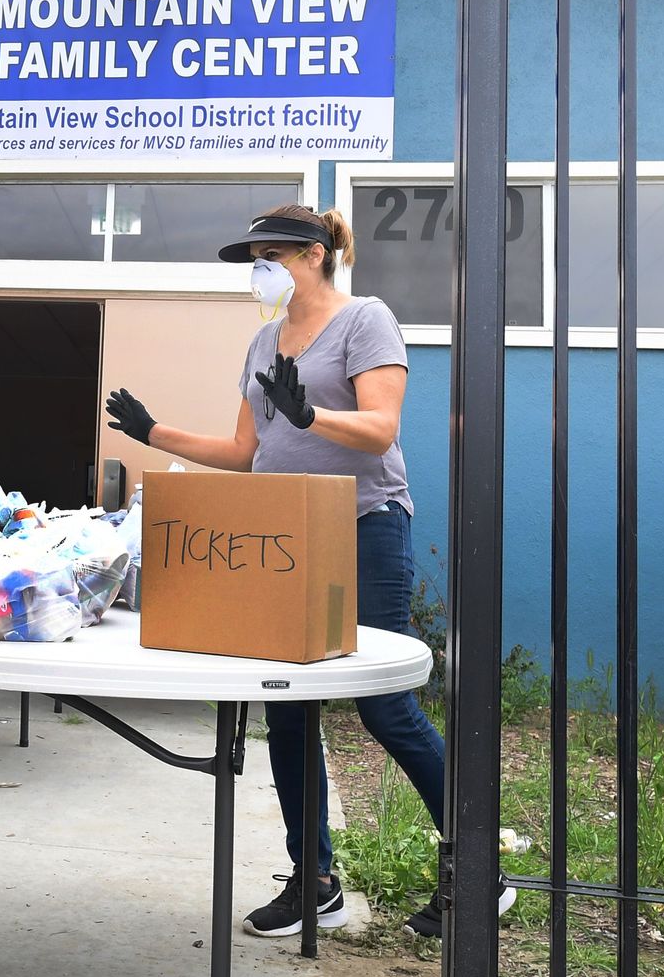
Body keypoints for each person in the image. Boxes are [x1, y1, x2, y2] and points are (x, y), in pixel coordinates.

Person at [104, 203, 513, 940]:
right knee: (286, 704)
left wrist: (310, 417)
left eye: (272, 256)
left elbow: (381, 428)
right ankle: (314, 878)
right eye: (255, 259)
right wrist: (153, 431)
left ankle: (479, 870)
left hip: (364, 526)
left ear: (314, 256)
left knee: (385, 705)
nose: (260, 271)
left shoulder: (367, 321)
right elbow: (244, 451)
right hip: (288, 535)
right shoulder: (264, 338)